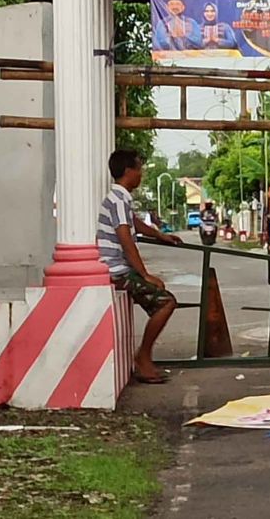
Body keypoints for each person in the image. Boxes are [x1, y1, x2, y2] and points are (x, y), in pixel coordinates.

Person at [98, 150, 182, 384]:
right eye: (139, 169)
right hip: (115, 270)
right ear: (128, 172)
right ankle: (142, 356)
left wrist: (160, 236)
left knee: (161, 294)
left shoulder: (121, 199)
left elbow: (134, 223)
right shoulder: (116, 199)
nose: (141, 174)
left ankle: (143, 356)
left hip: (120, 268)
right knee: (166, 302)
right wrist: (145, 274)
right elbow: (125, 238)